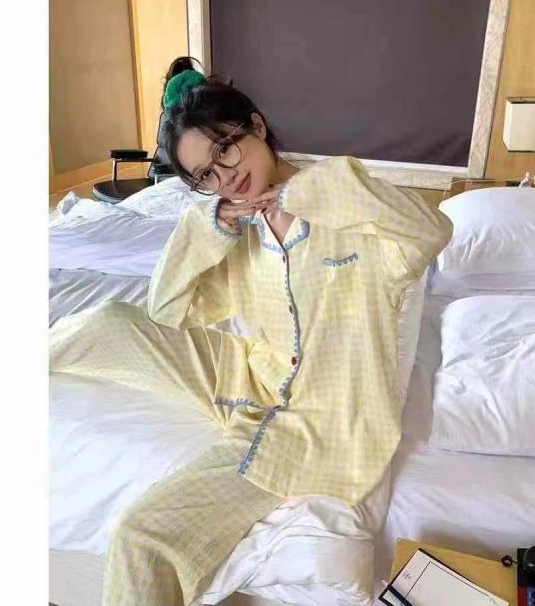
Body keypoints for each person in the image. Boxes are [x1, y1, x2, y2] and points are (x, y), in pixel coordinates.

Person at [49, 59, 453, 606]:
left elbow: (432, 228)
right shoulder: (236, 230)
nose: (225, 177)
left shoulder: (351, 212)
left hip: (317, 420)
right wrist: (208, 224)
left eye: (225, 150)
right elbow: (167, 307)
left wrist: (304, 193)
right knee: (109, 322)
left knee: (140, 538)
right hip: (246, 371)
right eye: (205, 176)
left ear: (257, 126)